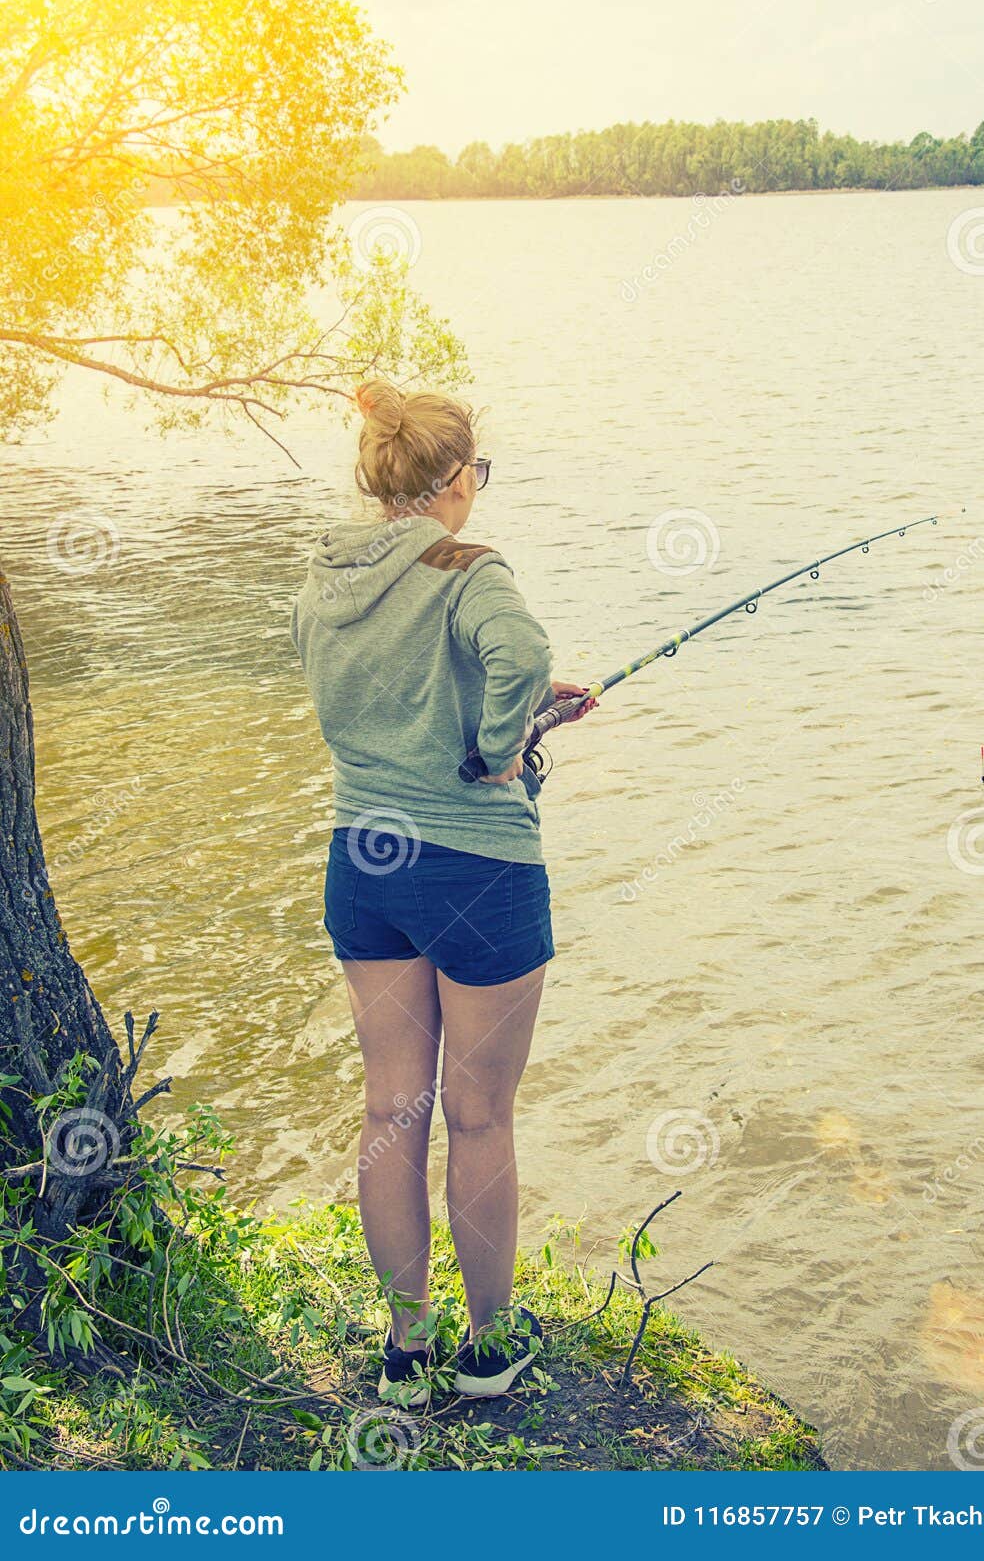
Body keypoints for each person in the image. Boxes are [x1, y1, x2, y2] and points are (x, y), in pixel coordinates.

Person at [291, 379, 594, 1406]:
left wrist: (498, 715)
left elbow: (372, 690)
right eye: (480, 474)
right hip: (478, 870)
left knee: (390, 1107)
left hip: (365, 862)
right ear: (457, 479)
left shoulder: (326, 575)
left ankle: (405, 1350)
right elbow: (522, 652)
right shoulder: (470, 567)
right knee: (476, 1116)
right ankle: (489, 1350)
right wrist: (501, 741)